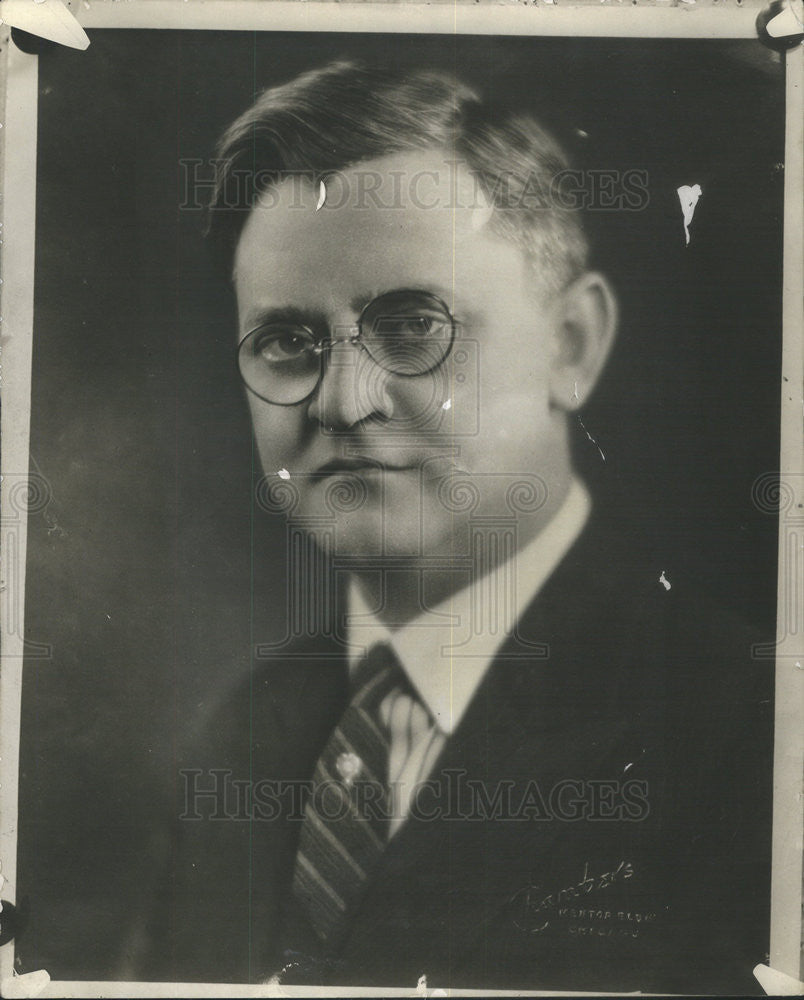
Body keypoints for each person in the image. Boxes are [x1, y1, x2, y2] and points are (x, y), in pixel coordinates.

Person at [142, 61, 772, 992]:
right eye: (287, 341)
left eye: (410, 327)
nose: (345, 403)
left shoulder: (747, 735)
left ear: (572, 347)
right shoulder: (238, 738)